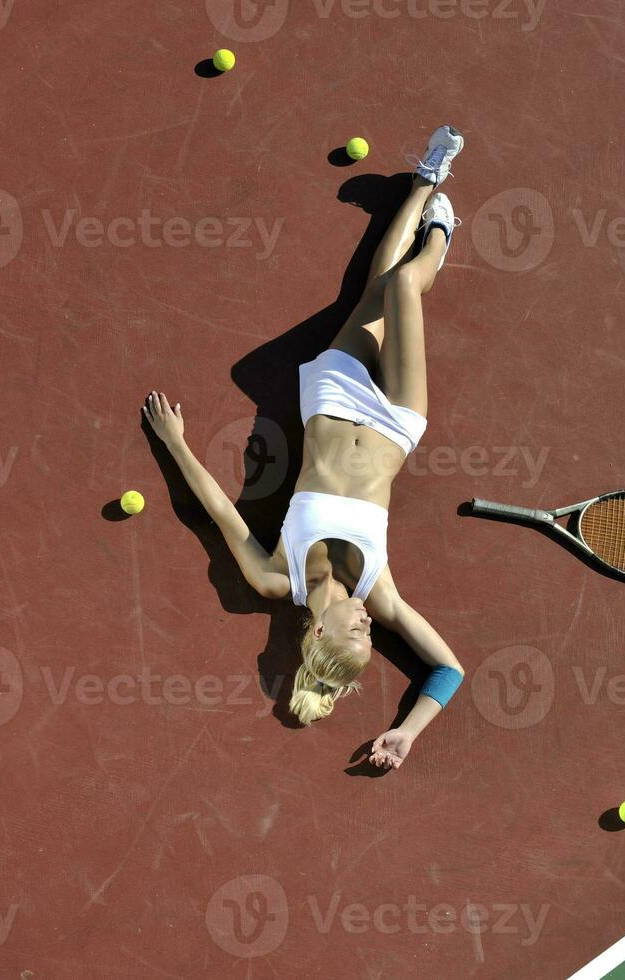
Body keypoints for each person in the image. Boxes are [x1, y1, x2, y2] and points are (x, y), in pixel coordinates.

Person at [142, 126, 468, 771]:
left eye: (357, 633)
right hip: (397, 419)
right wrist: (409, 731)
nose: (370, 627)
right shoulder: (379, 595)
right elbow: (448, 669)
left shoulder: (274, 578)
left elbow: (219, 512)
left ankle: (427, 180)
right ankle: (441, 233)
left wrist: (175, 445)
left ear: (317, 631)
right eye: (372, 636)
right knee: (402, 290)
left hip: (330, 399)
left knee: (376, 291)